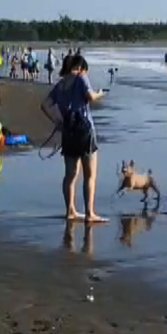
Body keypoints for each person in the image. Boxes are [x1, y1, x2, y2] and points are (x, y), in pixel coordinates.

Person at [40, 55, 108, 223]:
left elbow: (44, 105)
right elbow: (89, 96)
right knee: (89, 175)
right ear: (80, 67)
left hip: (68, 132)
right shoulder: (80, 78)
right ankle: (89, 213)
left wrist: (58, 121)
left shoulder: (60, 85)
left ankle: (70, 210)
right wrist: (99, 94)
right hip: (85, 130)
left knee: (70, 175)